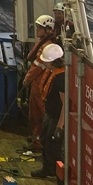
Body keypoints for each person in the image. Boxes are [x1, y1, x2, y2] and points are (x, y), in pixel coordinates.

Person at [29, 43, 67, 185]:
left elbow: (65, 104)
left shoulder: (60, 78)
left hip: (57, 117)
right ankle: (48, 168)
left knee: (55, 149)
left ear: (53, 61)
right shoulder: (53, 72)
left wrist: (60, 126)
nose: (43, 62)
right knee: (44, 139)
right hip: (50, 113)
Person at [22, 12, 59, 148]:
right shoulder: (47, 44)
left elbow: (37, 65)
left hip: (39, 84)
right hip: (39, 83)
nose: (36, 29)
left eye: (39, 27)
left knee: (37, 112)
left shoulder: (45, 46)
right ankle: (36, 138)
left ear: (48, 30)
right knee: (37, 112)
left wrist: (27, 78)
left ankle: (38, 141)